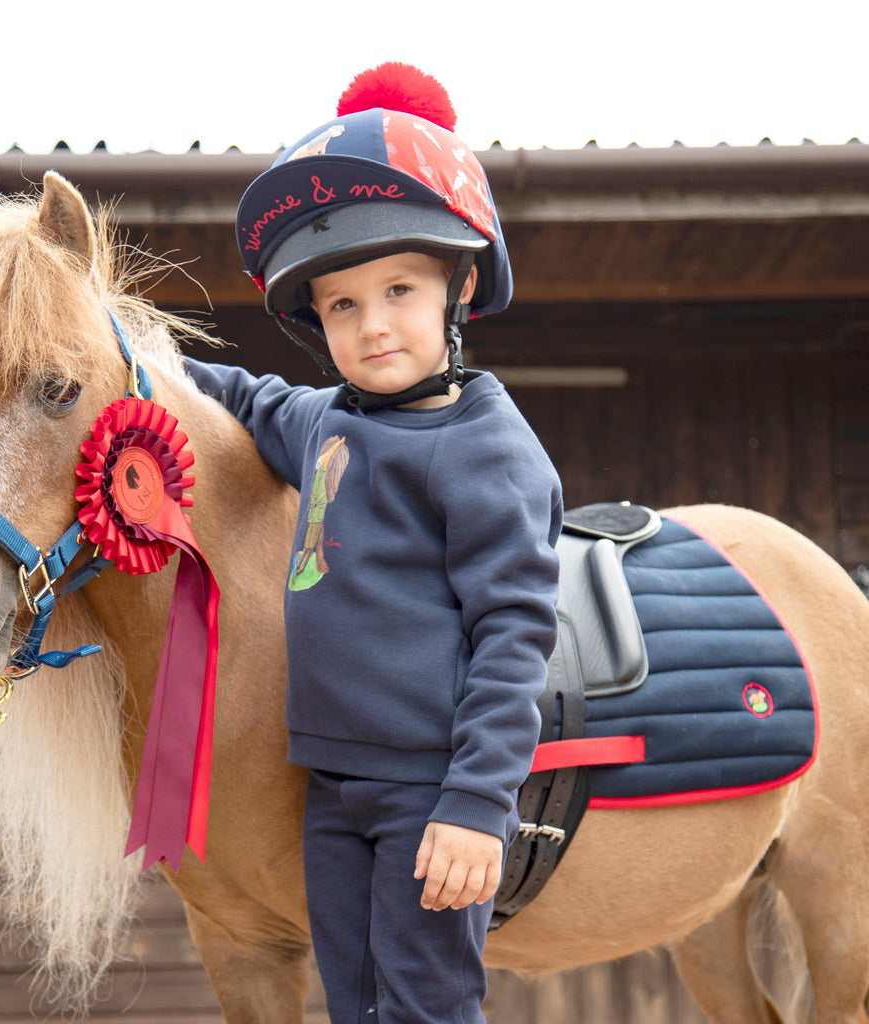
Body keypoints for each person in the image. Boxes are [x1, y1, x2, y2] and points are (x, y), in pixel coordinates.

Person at [183, 62, 561, 1024]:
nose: (373, 324)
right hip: (333, 789)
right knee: (356, 1005)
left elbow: (515, 634)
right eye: (342, 304)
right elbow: (247, 398)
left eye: (398, 288)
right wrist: (133, 349)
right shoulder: (323, 423)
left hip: (430, 786)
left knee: (427, 1005)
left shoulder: (488, 449)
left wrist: (477, 803)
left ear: (459, 288)